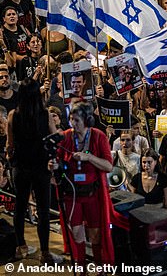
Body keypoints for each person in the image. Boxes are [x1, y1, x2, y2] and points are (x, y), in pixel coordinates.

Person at [52, 102, 116, 269]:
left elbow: (109, 166)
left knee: (95, 234)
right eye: (71, 120)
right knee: (77, 233)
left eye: (77, 120)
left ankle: (100, 268)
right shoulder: (66, 136)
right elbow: (57, 162)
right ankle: (81, 270)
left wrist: (90, 158)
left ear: (87, 120)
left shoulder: (98, 136)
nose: (73, 124)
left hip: (92, 194)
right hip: (71, 195)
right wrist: (53, 166)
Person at [7, 78, 61, 263]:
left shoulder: (14, 115)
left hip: (21, 167)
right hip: (41, 167)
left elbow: (10, 145)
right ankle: (45, 253)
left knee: (20, 208)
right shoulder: (45, 115)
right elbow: (54, 139)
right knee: (43, 210)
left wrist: (11, 157)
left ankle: (20, 246)